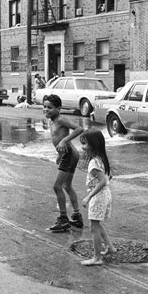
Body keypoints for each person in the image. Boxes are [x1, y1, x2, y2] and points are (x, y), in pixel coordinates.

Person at [43, 95, 84, 232]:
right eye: (45, 107)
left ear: (58, 108)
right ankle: (77, 216)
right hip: (67, 154)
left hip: (69, 154)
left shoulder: (61, 119)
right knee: (66, 186)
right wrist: (59, 155)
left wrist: (64, 140)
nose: (46, 110)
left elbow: (79, 129)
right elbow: (57, 137)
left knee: (57, 186)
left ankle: (63, 219)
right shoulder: (52, 120)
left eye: (49, 107)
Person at [79, 129, 116, 266]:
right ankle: (110, 247)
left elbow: (102, 181)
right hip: (105, 194)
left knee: (93, 227)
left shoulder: (94, 162)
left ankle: (97, 257)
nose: (83, 147)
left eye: (85, 144)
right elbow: (109, 177)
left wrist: (88, 197)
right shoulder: (102, 158)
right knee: (97, 223)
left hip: (98, 196)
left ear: (93, 144)